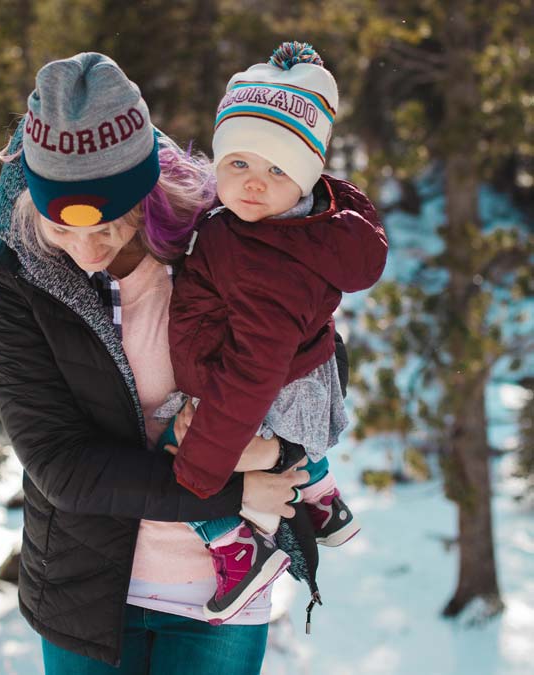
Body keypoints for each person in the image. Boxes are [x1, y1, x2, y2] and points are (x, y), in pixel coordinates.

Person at [0, 52, 313, 674]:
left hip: (224, 593)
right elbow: (61, 465)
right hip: (88, 593)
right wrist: (234, 490)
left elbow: (311, 373)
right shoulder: (15, 278)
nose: (85, 251)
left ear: (147, 192)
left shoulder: (224, 237)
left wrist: (280, 454)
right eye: (60, 227)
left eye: (107, 227)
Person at [157, 41, 388, 624]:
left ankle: (237, 548)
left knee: (175, 452)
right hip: (297, 387)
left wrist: (200, 465)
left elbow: (253, 367)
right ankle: (321, 497)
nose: (253, 184)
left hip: (256, 395)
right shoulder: (296, 226)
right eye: (239, 164)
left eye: (276, 169)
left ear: (305, 176)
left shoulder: (259, 253)